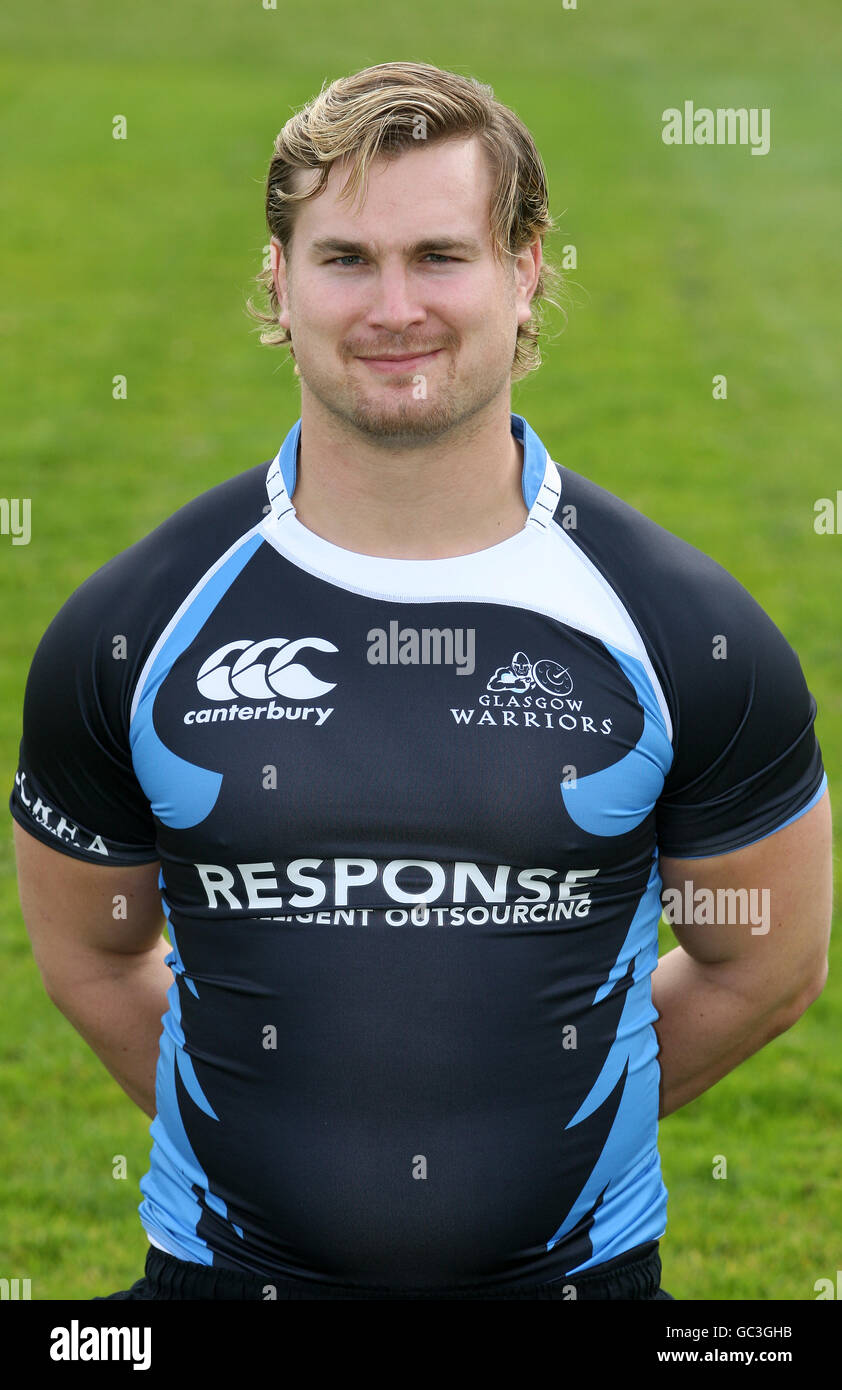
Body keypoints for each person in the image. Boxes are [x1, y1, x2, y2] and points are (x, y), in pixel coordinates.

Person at [10, 61, 831, 1302]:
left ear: (524, 268)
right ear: (279, 283)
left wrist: (532, 1115)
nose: (394, 307)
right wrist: (277, 1141)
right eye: (346, 258)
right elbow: (89, 955)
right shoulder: (131, 629)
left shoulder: (683, 632)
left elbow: (760, 964)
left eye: (440, 255)